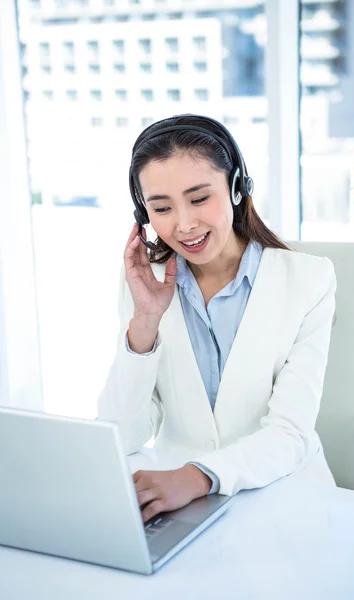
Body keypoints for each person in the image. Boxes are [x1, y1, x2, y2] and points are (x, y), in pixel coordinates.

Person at [97, 114, 337, 523]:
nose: (184, 224)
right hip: (182, 510)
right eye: (161, 207)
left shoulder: (309, 281)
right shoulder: (143, 284)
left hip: (286, 501)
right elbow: (122, 434)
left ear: (238, 188)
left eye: (199, 198)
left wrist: (198, 476)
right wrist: (144, 323)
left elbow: (290, 433)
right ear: (144, 216)